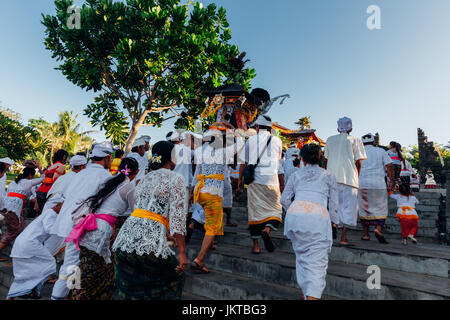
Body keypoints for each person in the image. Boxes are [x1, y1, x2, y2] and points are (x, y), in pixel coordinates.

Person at [112, 141, 188, 300]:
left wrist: (164, 232)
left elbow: (145, 212)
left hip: (123, 241)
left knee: (133, 290)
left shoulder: (143, 179)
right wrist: (181, 252)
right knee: (175, 278)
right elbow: (178, 220)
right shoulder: (176, 178)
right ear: (171, 158)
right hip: (149, 246)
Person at [66, 158, 139, 300]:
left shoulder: (109, 182)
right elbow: (136, 212)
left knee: (98, 269)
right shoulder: (129, 187)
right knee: (92, 273)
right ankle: (74, 296)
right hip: (100, 231)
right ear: (136, 172)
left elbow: (101, 206)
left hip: (91, 226)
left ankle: (73, 294)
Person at [50, 142, 113, 300]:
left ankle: (66, 295)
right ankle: (59, 296)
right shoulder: (106, 176)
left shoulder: (81, 174)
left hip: (70, 222)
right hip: (83, 226)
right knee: (72, 265)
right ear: (107, 158)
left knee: (71, 264)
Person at [281, 143, 339, 300]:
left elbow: (284, 199)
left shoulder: (295, 175)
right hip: (317, 220)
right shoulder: (328, 175)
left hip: (295, 219)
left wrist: (295, 210)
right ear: (320, 158)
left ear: (302, 159)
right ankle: (311, 295)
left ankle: (306, 294)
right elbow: (333, 204)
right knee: (317, 265)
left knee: (302, 258)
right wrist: (335, 222)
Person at [190, 122, 238, 271]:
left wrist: (192, 192)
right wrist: (230, 127)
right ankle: (199, 259)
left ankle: (209, 244)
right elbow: (239, 143)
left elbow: (197, 173)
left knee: (209, 221)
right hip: (213, 193)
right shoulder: (222, 152)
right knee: (212, 226)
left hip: (201, 192)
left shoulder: (200, 151)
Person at [238, 115, 284, 254]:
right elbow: (279, 163)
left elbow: (243, 163)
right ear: (270, 128)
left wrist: (240, 180)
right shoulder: (277, 141)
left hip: (255, 180)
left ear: (257, 127)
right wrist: (282, 183)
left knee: (254, 213)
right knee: (276, 210)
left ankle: (256, 246)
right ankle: (267, 229)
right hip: (272, 180)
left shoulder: (250, 140)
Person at [6, 194, 64, 300]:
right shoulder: (51, 214)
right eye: (63, 206)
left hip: (22, 243)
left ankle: (27, 291)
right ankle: (32, 289)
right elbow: (49, 228)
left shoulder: (48, 213)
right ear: (57, 205)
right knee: (49, 264)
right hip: (30, 243)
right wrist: (66, 230)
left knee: (22, 274)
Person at [324, 117, 366, 246]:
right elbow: (358, 162)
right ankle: (343, 237)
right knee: (348, 209)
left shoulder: (330, 139)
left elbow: (325, 160)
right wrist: (356, 176)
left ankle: (331, 232)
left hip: (331, 178)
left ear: (337, 128)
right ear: (351, 128)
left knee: (332, 206)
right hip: (349, 178)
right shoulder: (356, 140)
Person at [0, 162, 45, 254]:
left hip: (6, 206)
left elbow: (30, 195)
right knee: (14, 230)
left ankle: (15, 248)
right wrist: (39, 168)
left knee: (20, 226)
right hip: (14, 208)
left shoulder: (13, 182)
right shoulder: (28, 182)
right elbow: (44, 178)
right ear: (30, 175)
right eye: (33, 175)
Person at [358, 133, 394, 243]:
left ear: (362, 143)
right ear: (374, 142)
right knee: (381, 208)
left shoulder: (358, 152)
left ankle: (365, 234)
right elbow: (389, 167)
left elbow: (355, 168)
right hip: (378, 184)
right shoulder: (381, 151)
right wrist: (391, 181)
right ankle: (378, 229)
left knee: (364, 209)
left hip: (362, 183)